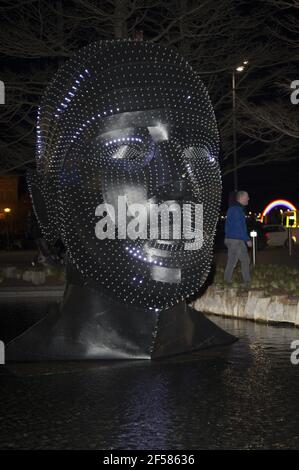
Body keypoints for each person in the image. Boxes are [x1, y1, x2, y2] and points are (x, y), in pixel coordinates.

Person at [224, 190, 252, 286]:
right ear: (241, 198)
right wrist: (247, 239)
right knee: (245, 260)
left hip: (230, 239)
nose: (248, 198)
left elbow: (229, 226)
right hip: (236, 240)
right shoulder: (237, 210)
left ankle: (226, 281)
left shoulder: (232, 209)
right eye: (247, 196)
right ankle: (247, 281)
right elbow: (239, 226)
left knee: (232, 261)